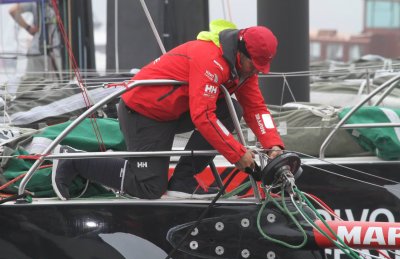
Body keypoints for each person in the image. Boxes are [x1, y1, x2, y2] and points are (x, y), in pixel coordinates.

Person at [51, 20, 284, 200]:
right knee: (150, 188)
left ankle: (182, 182)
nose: (256, 72)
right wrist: (238, 154)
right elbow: (202, 116)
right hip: (143, 113)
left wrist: (273, 144)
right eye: (254, 65)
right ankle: (72, 160)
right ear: (241, 52)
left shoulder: (243, 70)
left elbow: (256, 108)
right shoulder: (210, 60)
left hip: (173, 112)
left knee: (232, 108)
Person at [9, 1, 61, 79]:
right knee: (60, 87)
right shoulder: (66, 4)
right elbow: (13, 10)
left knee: (32, 87)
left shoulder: (37, 2)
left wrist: (28, 28)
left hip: (37, 51)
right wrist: (29, 28)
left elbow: (13, 10)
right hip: (56, 52)